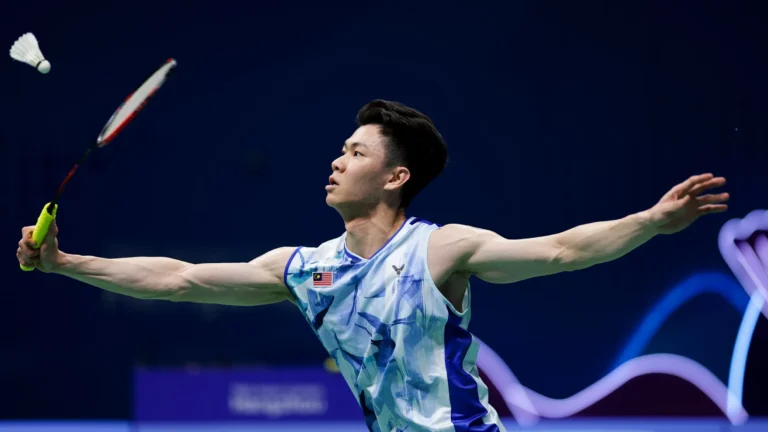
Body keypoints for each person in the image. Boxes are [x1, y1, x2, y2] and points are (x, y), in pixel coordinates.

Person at [16, 100, 729, 432]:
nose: (336, 160)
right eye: (340, 149)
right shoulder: (305, 271)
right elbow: (179, 278)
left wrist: (650, 221)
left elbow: (562, 250)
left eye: (356, 152)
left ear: (395, 177)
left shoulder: (439, 250)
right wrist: (66, 262)